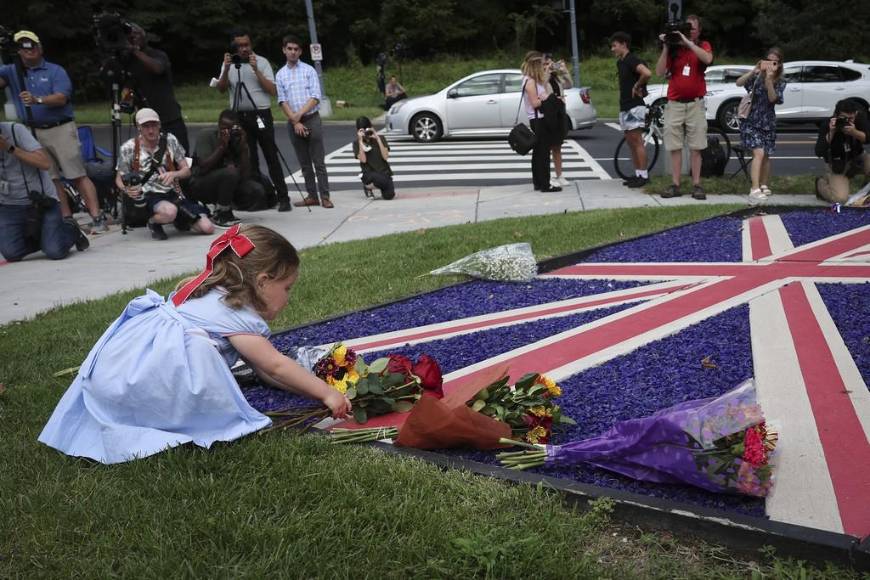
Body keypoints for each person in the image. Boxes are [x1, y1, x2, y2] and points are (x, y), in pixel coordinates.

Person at [38, 225, 353, 464]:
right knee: (198, 368)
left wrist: (303, 386)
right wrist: (326, 392)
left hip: (122, 368)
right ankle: (161, 416)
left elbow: (266, 369)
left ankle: (121, 405)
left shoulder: (208, 290)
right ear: (262, 281)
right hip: (155, 379)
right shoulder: (234, 314)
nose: (289, 297)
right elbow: (274, 365)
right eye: (287, 288)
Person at [0, 30, 107, 231]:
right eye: (23, 47)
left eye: (31, 45)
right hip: (32, 131)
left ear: (40, 48)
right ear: (18, 52)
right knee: (51, 178)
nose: (28, 50)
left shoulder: (55, 70)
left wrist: (37, 99)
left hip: (60, 128)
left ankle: (96, 215)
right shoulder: (12, 71)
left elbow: (61, 97)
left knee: (76, 174)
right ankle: (65, 218)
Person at [217, 30, 290, 212]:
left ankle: (283, 197)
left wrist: (255, 69)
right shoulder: (230, 64)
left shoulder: (262, 62)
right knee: (249, 159)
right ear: (234, 47)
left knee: (271, 155)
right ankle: (260, 195)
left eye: (246, 45)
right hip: (239, 116)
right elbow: (221, 88)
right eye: (239, 46)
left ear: (251, 45)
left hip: (261, 114)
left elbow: (273, 91)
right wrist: (226, 69)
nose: (243, 49)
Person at [115, 108, 213, 240]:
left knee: (207, 228)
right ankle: (153, 222)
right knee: (170, 212)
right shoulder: (128, 148)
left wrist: (174, 174)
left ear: (159, 125)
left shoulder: (170, 140)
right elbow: (119, 179)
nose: (151, 130)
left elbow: (186, 170)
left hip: (173, 193)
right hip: (148, 195)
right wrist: (127, 190)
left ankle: (180, 219)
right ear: (139, 127)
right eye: (146, 126)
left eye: (154, 125)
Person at [0, 121, 89, 262]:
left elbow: (45, 163)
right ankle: (47, 237)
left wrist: (10, 148)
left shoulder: (15, 130)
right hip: (8, 205)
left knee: (55, 251)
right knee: (11, 253)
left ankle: (70, 229)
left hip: (41, 201)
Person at [655, 15, 714, 200]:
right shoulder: (674, 50)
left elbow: (708, 59)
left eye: (693, 28)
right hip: (675, 103)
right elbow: (659, 72)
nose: (690, 31)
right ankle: (676, 184)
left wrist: (687, 42)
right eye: (687, 28)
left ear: (699, 30)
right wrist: (666, 46)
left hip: (695, 103)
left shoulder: (702, 45)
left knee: (696, 146)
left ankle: (697, 184)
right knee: (675, 146)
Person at [276, 35, 333, 209]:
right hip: (294, 122)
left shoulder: (309, 70)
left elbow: (315, 97)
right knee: (304, 162)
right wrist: (294, 122)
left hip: (311, 119)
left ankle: (325, 196)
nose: (293, 52)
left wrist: (298, 115)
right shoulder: (280, 74)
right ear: (284, 50)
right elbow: (282, 100)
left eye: (296, 49)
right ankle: (312, 195)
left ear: (300, 51)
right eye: (289, 48)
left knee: (319, 161)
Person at [190, 110, 267, 226]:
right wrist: (222, 147)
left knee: (256, 191)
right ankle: (221, 213)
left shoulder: (237, 139)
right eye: (224, 128)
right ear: (218, 125)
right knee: (230, 173)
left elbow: (246, 175)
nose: (227, 131)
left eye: (232, 128)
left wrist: (244, 148)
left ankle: (226, 206)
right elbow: (203, 168)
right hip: (201, 184)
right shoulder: (206, 136)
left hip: (227, 183)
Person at [125, 23, 189, 152]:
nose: (133, 37)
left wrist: (134, 50)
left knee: (181, 155)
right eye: (130, 36)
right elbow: (127, 87)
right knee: (150, 158)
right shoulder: (127, 61)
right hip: (145, 119)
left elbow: (158, 68)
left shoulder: (157, 54)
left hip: (169, 116)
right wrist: (127, 98)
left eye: (136, 34)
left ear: (144, 37)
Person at [736, 48, 786, 205]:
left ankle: (763, 185)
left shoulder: (781, 82)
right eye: (768, 60)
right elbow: (739, 83)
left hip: (768, 122)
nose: (771, 64)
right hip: (751, 121)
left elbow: (773, 99)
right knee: (758, 152)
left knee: (766, 155)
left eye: (774, 62)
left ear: (779, 64)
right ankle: (754, 189)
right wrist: (754, 71)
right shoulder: (757, 77)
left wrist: (769, 81)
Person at [610, 32, 652, 188]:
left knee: (637, 141)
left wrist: (637, 85)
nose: (612, 49)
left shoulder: (631, 59)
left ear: (623, 44)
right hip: (625, 105)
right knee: (630, 142)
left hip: (635, 105)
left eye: (615, 45)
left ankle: (644, 175)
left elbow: (647, 73)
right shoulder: (620, 62)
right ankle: (638, 174)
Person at [814, 99, 870, 204]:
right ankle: (820, 184)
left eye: (851, 118)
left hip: (857, 157)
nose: (847, 121)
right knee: (840, 199)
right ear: (836, 115)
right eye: (843, 118)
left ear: (856, 114)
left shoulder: (859, 119)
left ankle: (865, 190)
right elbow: (819, 152)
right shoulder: (827, 124)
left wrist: (855, 132)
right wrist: (832, 131)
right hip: (837, 164)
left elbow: (868, 139)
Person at [521, 51, 561, 193]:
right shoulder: (530, 81)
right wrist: (549, 99)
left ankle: (538, 183)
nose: (543, 66)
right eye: (541, 64)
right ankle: (545, 184)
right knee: (543, 154)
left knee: (538, 153)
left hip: (538, 120)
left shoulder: (532, 79)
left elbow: (542, 93)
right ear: (535, 65)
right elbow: (535, 103)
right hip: (538, 120)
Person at [543, 54, 574, 188]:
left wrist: (564, 70)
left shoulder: (557, 78)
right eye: (545, 64)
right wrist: (547, 72)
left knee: (557, 145)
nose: (548, 66)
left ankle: (559, 175)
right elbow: (542, 87)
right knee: (547, 146)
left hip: (560, 111)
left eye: (550, 63)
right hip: (548, 113)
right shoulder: (540, 78)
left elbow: (569, 85)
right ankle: (547, 176)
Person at [353, 116, 395, 200]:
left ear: (371, 127)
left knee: (389, 196)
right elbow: (363, 160)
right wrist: (361, 141)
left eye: (367, 129)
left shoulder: (381, 138)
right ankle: (368, 187)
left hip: (383, 173)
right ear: (358, 130)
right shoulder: (356, 143)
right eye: (362, 130)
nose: (365, 132)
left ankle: (374, 186)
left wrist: (377, 138)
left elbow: (385, 157)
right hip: (369, 174)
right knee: (376, 178)